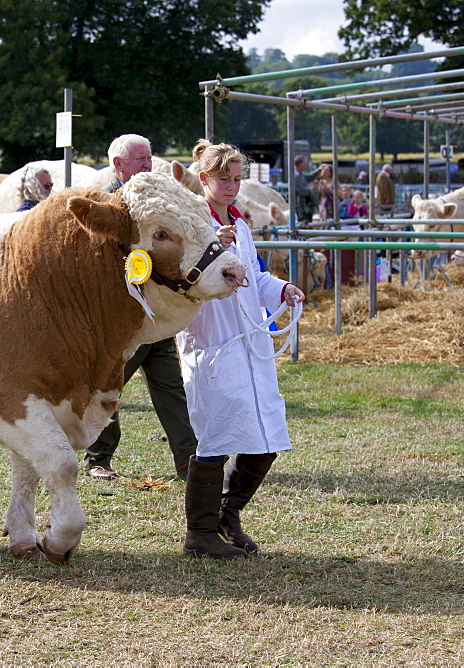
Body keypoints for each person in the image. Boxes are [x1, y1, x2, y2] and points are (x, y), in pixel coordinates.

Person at [177, 138, 305, 559]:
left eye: (237, 178)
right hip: (212, 341)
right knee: (214, 437)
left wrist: (281, 288)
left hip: (250, 344)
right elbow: (183, 279)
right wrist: (213, 242)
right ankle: (200, 532)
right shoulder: (191, 223)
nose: (232, 186)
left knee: (266, 436)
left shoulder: (242, 223)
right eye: (223, 178)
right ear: (204, 178)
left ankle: (227, 516)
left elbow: (255, 278)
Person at [83, 133, 198, 481]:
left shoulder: (158, 197)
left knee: (171, 389)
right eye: (140, 159)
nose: (148, 164)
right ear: (118, 164)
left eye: (150, 157)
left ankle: (188, 462)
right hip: (122, 317)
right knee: (110, 385)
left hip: (157, 313)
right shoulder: (104, 202)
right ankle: (98, 460)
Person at [292, 155, 319, 224]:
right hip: (300, 207)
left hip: (306, 206)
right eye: (305, 163)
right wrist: (311, 189)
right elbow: (302, 191)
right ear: (300, 164)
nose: (306, 165)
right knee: (302, 224)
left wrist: (318, 171)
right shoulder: (294, 177)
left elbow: (309, 177)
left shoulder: (301, 175)